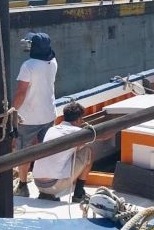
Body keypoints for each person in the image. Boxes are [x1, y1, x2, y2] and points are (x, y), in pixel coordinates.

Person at [13, 33, 58, 197]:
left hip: (28, 117)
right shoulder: (53, 62)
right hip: (48, 114)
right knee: (46, 151)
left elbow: (21, 92)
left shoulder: (28, 66)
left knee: (24, 152)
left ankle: (23, 185)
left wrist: (12, 111)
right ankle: (46, 188)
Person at [33, 102, 94, 202]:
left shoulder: (51, 129)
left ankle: (45, 193)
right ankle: (79, 194)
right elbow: (103, 136)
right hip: (53, 186)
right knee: (87, 151)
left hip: (38, 184)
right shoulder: (76, 132)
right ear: (78, 119)